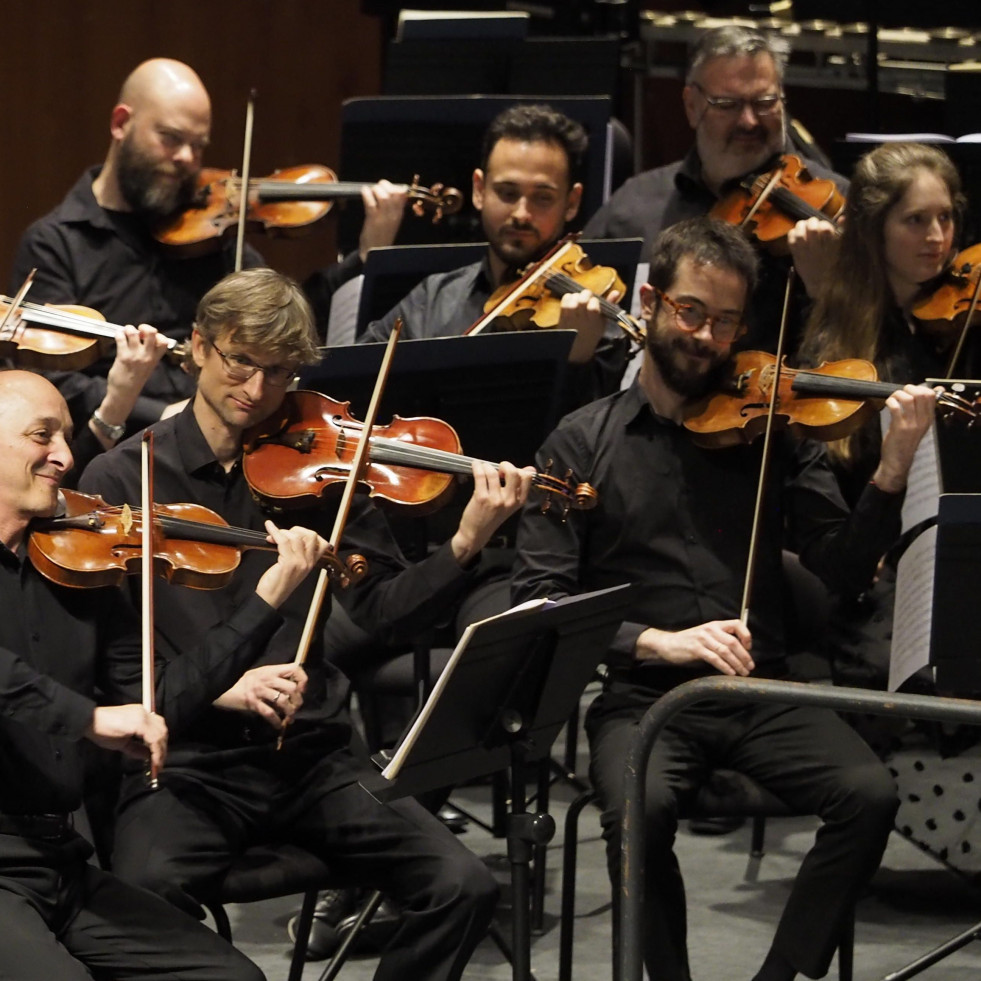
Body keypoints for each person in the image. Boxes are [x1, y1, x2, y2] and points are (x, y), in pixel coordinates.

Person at [511, 217, 938, 981]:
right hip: (643, 697)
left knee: (868, 794)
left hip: (760, 689)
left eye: (726, 321)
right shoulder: (579, 444)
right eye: (690, 312)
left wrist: (891, 471)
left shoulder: (771, 429)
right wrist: (658, 642)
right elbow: (543, 596)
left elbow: (840, 570)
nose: (707, 337)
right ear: (648, 302)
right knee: (638, 816)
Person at [80, 266, 532, 981]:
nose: (257, 392)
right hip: (189, 765)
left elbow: (383, 612)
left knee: (461, 884)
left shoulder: (323, 472)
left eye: (279, 372)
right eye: (240, 362)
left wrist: (464, 544)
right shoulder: (121, 479)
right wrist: (221, 688)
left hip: (311, 758)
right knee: (142, 890)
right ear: (197, 347)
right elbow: (105, 665)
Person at [0, 368, 333, 981]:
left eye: (68, 437)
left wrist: (264, 605)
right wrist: (89, 717)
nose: (66, 456)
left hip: (57, 858)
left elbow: (159, 699)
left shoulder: (79, 567)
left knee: (234, 977)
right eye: (41, 435)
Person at [11, 57, 407, 440]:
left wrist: (365, 256)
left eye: (197, 145)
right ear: (121, 124)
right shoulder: (56, 242)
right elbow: (55, 380)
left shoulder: (209, 233)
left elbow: (282, 319)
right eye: (170, 138)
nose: (187, 159)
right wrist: (161, 414)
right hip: (116, 450)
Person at [583, 24, 844, 357]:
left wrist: (827, 291)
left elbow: (875, 347)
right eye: (727, 104)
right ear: (691, 106)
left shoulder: (835, 204)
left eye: (765, 102)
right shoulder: (635, 207)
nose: (749, 121)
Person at [361, 102, 630, 404]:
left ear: (571, 202)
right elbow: (353, 384)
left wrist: (577, 359)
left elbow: (591, 441)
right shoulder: (432, 300)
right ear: (479, 190)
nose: (521, 213)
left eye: (543, 198)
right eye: (507, 193)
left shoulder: (595, 322)